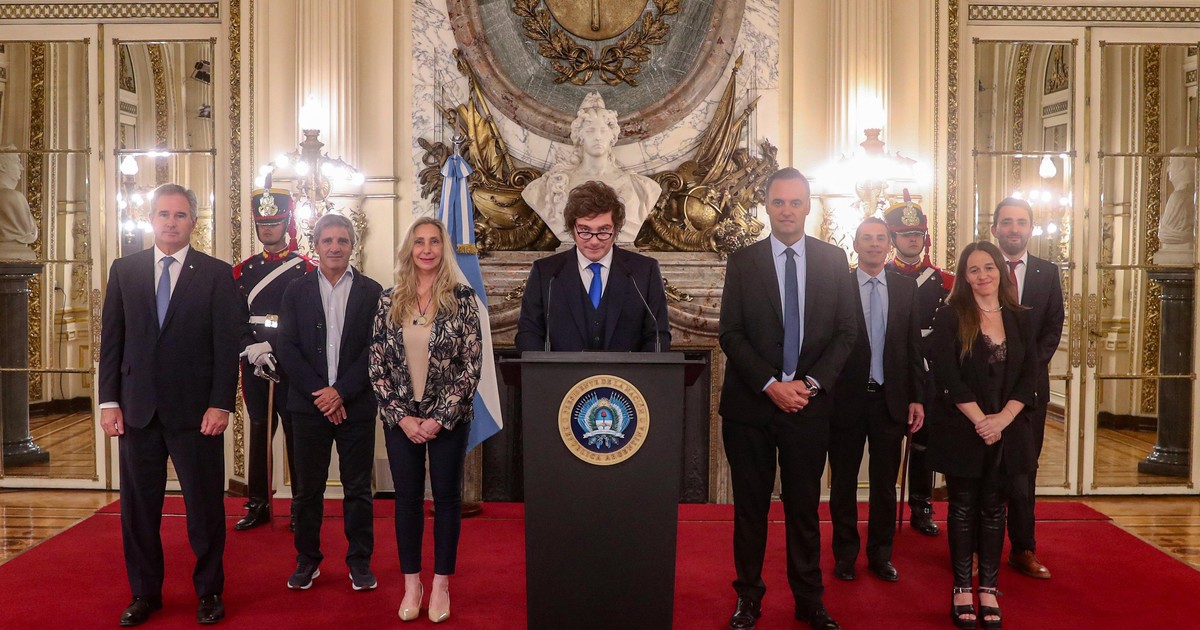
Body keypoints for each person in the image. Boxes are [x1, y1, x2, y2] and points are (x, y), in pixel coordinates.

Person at [718, 168, 857, 630]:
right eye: (779, 202)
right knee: (750, 510)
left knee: (803, 509)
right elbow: (730, 333)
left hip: (808, 408)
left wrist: (810, 385)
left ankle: (809, 600)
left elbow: (846, 332)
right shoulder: (743, 262)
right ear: (766, 206)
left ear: (808, 206)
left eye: (796, 202)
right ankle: (748, 598)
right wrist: (771, 384)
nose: (787, 210)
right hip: (751, 407)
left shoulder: (834, 260)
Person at [98, 183, 241, 626]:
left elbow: (226, 347)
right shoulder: (124, 270)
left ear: (193, 221)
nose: (171, 222)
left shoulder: (216, 274)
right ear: (151, 219)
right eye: (164, 214)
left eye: (180, 215)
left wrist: (221, 404)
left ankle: (209, 592)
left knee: (204, 509)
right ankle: (145, 593)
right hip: (137, 411)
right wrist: (108, 402)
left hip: (197, 414)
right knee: (139, 511)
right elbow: (112, 342)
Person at [369, 217, 483, 623]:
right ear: (410, 249)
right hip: (401, 420)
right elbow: (377, 365)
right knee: (407, 501)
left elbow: (471, 366)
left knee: (447, 500)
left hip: (448, 420)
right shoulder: (389, 300)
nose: (427, 249)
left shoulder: (463, 299)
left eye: (434, 241)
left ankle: (440, 584)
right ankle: (412, 583)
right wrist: (402, 418)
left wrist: (438, 418)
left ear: (443, 248)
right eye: (419, 242)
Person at [927, 240, 1039, 629]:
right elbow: (947, 375)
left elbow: (1030, 375)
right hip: (964, 426)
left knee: (995, 508)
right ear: (964, 276)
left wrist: (1003, 419)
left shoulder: (1021, 317)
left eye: (988, 267)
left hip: (1008, 429)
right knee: (962, 508)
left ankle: (989, 589)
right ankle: (962, 588)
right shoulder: (950, 316)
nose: (982, 275)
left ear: (1000, 271)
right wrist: (981, 421)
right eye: (973, 269)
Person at [275, 212, 383, 592]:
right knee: (307, 491)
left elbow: (376, 349)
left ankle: (360, 562)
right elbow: (286, 346)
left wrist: (341, 392)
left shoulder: (373, 292)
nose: (335, 247)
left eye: (342, 240)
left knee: (358, 489)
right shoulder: (295, 290)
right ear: (316, 246)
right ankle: (307, 561)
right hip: (308, 407)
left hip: (356, 405)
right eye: (328, 241)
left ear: (352, 245)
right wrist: (322, 394)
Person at [828, 217, 925, 584]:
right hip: (846, 400)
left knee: (885, 485)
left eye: (880, 238)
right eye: (866, 238)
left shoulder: (905, 287)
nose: (873, 244)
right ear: (855, 245)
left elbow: (913, 347)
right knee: (843, 482)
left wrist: (917, 398)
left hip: (890, 401)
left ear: (889, 245)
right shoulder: (838, 286)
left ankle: (881, 555)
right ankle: (845, 555)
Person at [232, 180, 315, 531]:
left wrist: (275, 347)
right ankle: (259, 503)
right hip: (254, 361)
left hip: (291, 363)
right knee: (259, 430)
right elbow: (234, 319)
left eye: (275, 222)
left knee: (297, 433)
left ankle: (300, 506)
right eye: (262, 223)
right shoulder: (242, 271)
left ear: (288, 222)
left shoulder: (306, 269)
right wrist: (251, 348)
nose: (268, 229)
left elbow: (310, 323)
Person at [990, 197, 1065, 580]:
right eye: (1007, 222)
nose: (1014, 228)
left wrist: (1024, 372)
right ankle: (977, 550)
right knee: (983, 474)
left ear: (1030, 229)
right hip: (986, 391)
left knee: (1023, 475)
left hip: (1030, 392)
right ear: (995, 229)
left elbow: (1052, 328)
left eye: (1021, 222)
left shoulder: (1047, 273)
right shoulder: (981, 269)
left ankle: (1023, 549)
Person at [515, 179, 670, 353]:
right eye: (585, 230)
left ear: (615, 229)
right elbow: (529, 334)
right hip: (560, 371)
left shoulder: (644, 271)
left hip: (628, 372)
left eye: (603, 230)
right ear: (572, 228)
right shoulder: (546, 273)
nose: (594, 241)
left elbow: (658, 336)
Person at [884, 196, 954, 536]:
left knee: (924, 441)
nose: (912, 240)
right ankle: (883, 506)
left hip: (929, 370)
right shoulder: (880, 276)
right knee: (886, 441)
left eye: (917, 234)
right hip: (890, 369)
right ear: (893, 238)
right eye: (905, 234)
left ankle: (922, 504)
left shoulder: (944, 281)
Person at [520, 92, 662, 244]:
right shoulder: (551, 185)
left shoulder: (642, 187)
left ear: (612, 137)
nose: (598, 137)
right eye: (590, 131)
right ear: (580, 137)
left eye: (603, 131)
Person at [0, 148, 38, 259]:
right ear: (2, 166)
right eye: (17, 162)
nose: (21, 168)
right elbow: (28, 232)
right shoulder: (12, 197)